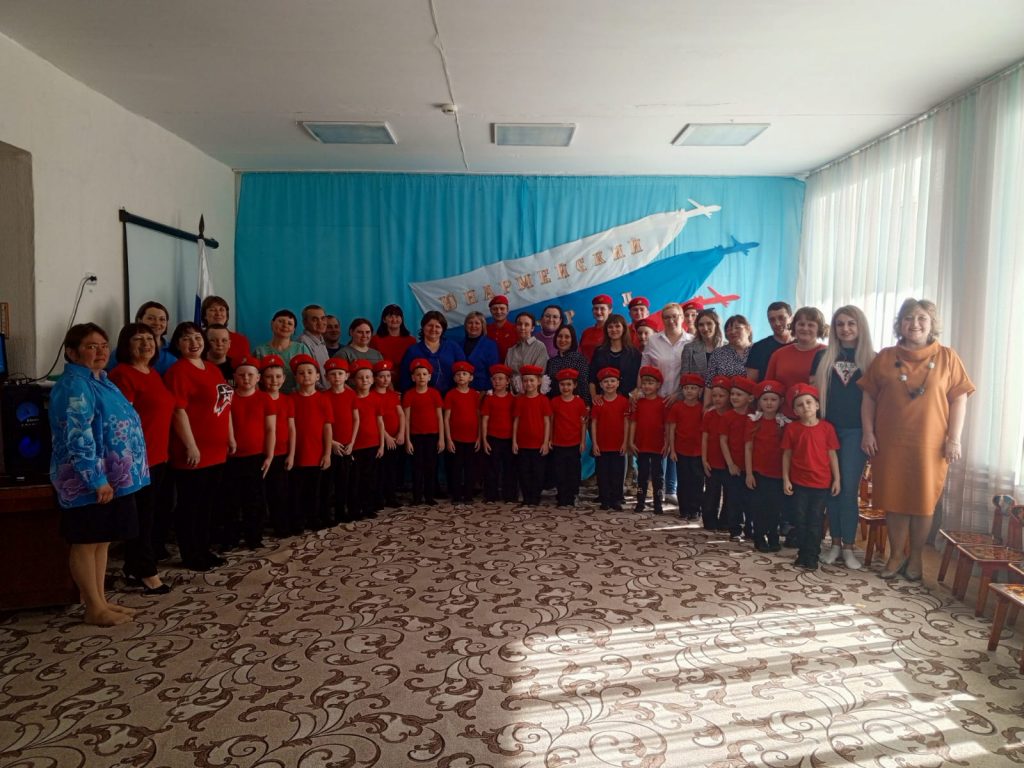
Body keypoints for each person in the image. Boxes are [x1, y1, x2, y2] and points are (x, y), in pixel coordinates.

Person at [860, 298, 974, 582]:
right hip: (890, 441)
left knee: (923, 502)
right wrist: (868, 432)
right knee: (894, 499)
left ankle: (916, 557)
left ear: (932, 324)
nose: (915, 324)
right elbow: (868, 398)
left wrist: (954, 439)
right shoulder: (885, 357)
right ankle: (896, 555)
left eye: (922, 318)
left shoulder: (948, 357)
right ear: (899, 324)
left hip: (931, 444)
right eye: (908, 318)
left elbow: (960, 399)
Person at [50, 323, 148, 625]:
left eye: (104, 346)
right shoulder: (75, 386)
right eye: (91, 346)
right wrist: (96, 479)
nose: (100, 351)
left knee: (101, 540)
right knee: (86, 541)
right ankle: (92, 606)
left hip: (109, 477)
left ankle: (101, 600)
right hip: (85, 480)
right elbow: (78, 436)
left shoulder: (100, 379)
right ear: (72, 352)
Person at [109, 324, 176, 595]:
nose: (146, 344)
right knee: (143, 519)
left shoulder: (152, 372)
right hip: (138, 460)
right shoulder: (122, 375)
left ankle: (133, 566)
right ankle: (147, 572)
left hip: (159, 456)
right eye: (138, 339)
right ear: (126, 344)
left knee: (152, 515)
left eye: (150, 339)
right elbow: (120, 422)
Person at [164, 322, 233, 571]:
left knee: (208, 503)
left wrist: (230, 437)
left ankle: (204, 549)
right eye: (186, 339)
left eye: (197, 337)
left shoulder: (212, 369)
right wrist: (191, 445)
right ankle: (190, 554)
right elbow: (178, 411)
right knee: (190, 505)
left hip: (216, 449)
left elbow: (224, 405)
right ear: (177, 344)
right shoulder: (178, 371)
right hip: (193, 450)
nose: (193, 343)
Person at [812, 306, 876, 569]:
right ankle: (835, 544)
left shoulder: (873, 359)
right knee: (831, 488)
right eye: (840, 324)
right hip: (827, 430)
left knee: (848, 489)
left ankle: (849, 547)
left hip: (856, 432)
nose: (846, 329)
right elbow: (813, 396)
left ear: (860, 326)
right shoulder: (822, 356)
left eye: (851, 323)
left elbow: (876, 400)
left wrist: (870, 433)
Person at [782, 383, 841, 571]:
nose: (805, 407)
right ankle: (802, 553)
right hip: (799, 482)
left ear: (817, 405)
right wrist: (786, 479)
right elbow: (787, 455)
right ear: (795, 411)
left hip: (821, 484)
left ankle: (813, 555)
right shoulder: (792, 428)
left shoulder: (827, 428)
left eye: (809, 402)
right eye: (800, 405)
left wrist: (837, 479)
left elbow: (832, 455)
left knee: (815, 520)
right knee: (800, 520)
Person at [642, 302, 693, 504]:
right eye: (667, 317)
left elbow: (693, 373)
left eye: (675, 316)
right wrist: (642, 391)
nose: (671, 320)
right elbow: (645, 368)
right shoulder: (653, 340)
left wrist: (680, 393)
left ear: (682, 317)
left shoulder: (691, 341)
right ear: (662, 320)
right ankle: (658, 488)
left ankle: (671, 488)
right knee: (659, 443)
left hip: (681, 399)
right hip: (657, 399)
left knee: (676, 443)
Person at [223, 356, 275, 549]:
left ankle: (254, 537)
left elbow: (270, 429)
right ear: (234, 377)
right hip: (231, 457)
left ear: (258, 377)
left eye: (250, 375)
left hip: (256, 456)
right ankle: (230, 538)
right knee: (231, 499)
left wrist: (269, 455)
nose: (246, 378)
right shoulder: (228, 397)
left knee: (254, 499)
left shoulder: (264, 398)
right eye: (242, 374)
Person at [288, 354, 332, 532]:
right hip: (297, 453)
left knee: (316, 489)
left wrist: (327, 453)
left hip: (317, 452)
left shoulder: (323, 399)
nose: (305, 376)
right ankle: (298, 520)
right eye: (301, 373)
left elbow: (327, 428)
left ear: (317, 376)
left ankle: (314, 518)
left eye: (309, 372)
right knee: (296, 490)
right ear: (295, 377)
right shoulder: (291, 399)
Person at [744, 380, 788, 552]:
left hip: (777, 473)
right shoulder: (753, 421)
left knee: (775, 507)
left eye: (773, 399)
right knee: (759, 506)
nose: (769, 403)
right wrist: (749, 473)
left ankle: (773, 534)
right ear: (759, 401)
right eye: (765, 399)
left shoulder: (783, 423)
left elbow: (787, 452)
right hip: (758, 472)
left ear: (780, 401)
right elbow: (748, 448)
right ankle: (759, 535)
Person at [765, 306, 828, 419]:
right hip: (783, 417)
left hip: (816, 418)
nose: (805, 328)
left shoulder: (828, 354)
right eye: (801, 324)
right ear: (794, 326)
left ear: (819, 328)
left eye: (811, 325)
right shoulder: (779, 354)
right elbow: (768, 387)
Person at [259, 354, 295, 537]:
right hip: (261, 453)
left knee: (280, 492)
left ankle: (281, 526)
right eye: (269, 376)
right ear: (261, 378)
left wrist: (291, 454)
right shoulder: (258, 398)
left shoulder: (287, 400)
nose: (274, 380)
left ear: (284, 378)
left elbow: (292, 428)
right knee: (261, 492)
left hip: (282, 452)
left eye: (278, 376)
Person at [403, 358, 444, 506]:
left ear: (429, 377)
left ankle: (429, 496)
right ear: (413, 377)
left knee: (431, 467)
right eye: (418, 374)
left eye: (424, 374)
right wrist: (407, 440)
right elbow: (406, 419)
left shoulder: (435, 394)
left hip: (432, 436)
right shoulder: (409, 395)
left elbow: (440, 417)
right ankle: (416, 497)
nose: (421, 377)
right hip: (415, 437)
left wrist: (442, 439)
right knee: (417, 467)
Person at [720, 377, 757, 541]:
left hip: (751, 467)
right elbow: (723, 441)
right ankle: (735, 529)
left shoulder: (754, 417)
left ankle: (750, 528)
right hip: (734, 466)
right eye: (733, 394)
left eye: (739, 394)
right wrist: (730, 464)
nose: (734, 397)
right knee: (734, 499)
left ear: (750, 398)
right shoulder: (727, 416)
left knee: (751, 499)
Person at [348, 361, 385, 520]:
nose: (364, 380)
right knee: (355, 479)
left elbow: (380, 422)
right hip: (356, 445)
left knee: (370, 477)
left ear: (372, 379)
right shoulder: (351, 399)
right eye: (360, 377)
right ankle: (355, 509)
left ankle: (368, 506)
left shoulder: (376, 398)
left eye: (368, 377)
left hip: (373, 444)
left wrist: (381, 445)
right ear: (353, 380)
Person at [668, 373, 706, 522]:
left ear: (700, 391)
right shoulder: (677, 407)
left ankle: (695, 509)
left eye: (693, 388)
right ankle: (684, 509)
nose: (689, 391)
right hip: (681, 450)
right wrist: (672, 449)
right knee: (683, 481)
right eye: (686, 388)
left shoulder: (702, 409)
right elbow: (672, 429)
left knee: (697, 481)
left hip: (698, 452)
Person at [590, 367, 629, 511]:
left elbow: (626, 423)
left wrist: (625, 442)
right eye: (606, 381)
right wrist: (594, 443)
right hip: (602, 445)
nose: (609, 384)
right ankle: (604, 499)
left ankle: (616, 499)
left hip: (618, 444)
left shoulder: (624, 401)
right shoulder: (598, 403)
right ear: (600, 385)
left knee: (617, 473)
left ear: (618, 383)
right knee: (603, 474)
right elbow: (593, 424)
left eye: (613, 381)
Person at [512, 364, 551, 506]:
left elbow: (547, 422)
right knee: (524, 472)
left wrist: (545, 442)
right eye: (525, 380)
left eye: (532, 380)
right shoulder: (519, 400)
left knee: (538, 472)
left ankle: (535, 497)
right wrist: (514, 441)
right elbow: (516, 421)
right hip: (523, 443)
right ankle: (526, 497)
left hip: (538, 443)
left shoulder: (543, 400)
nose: (528, 383)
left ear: (539, 381)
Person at [630, 366, 667, 515]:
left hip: (657, 444)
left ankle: (658, 503)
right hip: (642, 444)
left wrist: (667, 442)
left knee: (658, 476)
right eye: (644, 383)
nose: (646, 386)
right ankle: (640, 502)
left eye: (650, 383)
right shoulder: (638, 403)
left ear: (658, 385)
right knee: (642, 475)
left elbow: (667, 425)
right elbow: (633, 422)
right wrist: (631, 441)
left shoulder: (663, 403)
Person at [399, 311, 466, 394]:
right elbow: (405, 378)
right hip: (422, 398)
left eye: (437, 326)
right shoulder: (413, 351)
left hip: (451, 397)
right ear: (423, 327)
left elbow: (465, 372)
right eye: (430, 325)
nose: (433, 329)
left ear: (442, 330)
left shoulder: (453, 347)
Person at [444, 361, 481, 504]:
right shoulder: (451, 394)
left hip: (472, 438)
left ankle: (469, 495)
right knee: (456, 468)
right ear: (454, 378)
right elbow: (446, 418)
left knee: (470, 468)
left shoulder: (475, 395)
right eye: (458, 374)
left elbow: (479, 416)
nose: (461, 376)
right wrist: (448, 439)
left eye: (464, 374)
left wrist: (479, 437)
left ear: (470, 378)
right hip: (455, 438)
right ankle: (456, 495)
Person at [324, 358, 357, 523]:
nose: (337, 377)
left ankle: (341, 510)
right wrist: (331, 443)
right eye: (332, 374)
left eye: (340, 373)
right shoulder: (324, 396)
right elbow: (321, 424)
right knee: (329, 482)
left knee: (345, 481)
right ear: (326, 377)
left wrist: (352, 442)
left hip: (347, 445)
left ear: (346, 376)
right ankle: (327, 513)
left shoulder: (351, 395)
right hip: (330, 445)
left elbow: (356, 420)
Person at [549, 368, 587, 507]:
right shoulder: (554, 402)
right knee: (560, 471)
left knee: (573, 471)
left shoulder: (580, 402)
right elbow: (551, 422)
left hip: (574, 443)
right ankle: (562, 496)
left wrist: (582, 441)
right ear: (558, 386)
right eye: (562, 384)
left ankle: (572, 495)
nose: (566, 387)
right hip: (558, 443)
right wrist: (550, 439)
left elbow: (583, 423)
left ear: (575, 385)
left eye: (569, 384)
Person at [481, 364, 517, 503]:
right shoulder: (489, 399)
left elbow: (516, 420)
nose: (497, 381)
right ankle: (491, 495)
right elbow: (485, 420)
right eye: (494, 379)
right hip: (493, 438)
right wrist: (484, 439)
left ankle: (510, 495)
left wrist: (515, 440)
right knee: (492, 468)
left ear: (507, 381)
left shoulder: (513, 399)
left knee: (510, 468)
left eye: (501, 378)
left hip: (509, 439)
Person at [253, 309, 312, 393]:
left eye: (289, 323)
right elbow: (254, 379)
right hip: (268, 396)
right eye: (281, 321)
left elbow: (310, 374)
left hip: (296, 396)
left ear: (294, 330)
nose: (285, 325)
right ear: (272, 324)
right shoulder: (260, 351)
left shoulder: (301, 349)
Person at [701, 376, 732, 531]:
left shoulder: (732, 415)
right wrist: (704, 459)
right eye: (714, 396)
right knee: (711, 492)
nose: (717, 399)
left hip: (728, 463)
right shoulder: (709, 415)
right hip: (712, 461)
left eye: (721, 395)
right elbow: (704, 439)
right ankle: (709, 520)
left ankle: (725, 521)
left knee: (729, 494)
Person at [373, 360, 405, 509]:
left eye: (388, 376)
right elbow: (375, 420)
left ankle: (391, 496)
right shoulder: (372, 396)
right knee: (380, 470)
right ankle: (378, 498)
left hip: (396, 437)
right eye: (381, 376)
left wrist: (401, 433)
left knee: (392, 469)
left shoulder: (393, 395)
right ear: (375, 378)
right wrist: (386, 437)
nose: (386, 379)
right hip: (381, 439)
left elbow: (401, 414)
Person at [588, 313, 641, 401]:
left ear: (624, 329)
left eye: (617, 326)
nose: (614, 329)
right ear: (606, 330)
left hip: (628, 400)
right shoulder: (599, 352)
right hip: (603, 400)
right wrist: (594, 396)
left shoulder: (634, 353)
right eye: (610, 327)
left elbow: (639, 378)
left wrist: (635, 394)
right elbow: (592, 377)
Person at [705, 315, 754, 402]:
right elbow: (709, 383)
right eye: (729, 330)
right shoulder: (718, 353)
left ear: (748, 329)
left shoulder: (758, 350)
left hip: (753, 403)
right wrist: (706, 406)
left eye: (737, 328)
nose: (733, 332)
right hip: (724, 403)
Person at [200, 295, 252, 370]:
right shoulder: (198, 339)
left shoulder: (241, 340)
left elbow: (246, 367)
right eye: (212, 310)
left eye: (221, 310)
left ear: (227, 315)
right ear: (205, 315)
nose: (218, 313)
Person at [746, 302, 794, 382]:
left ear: (791, 318)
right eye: (772, 320)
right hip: (765, 389)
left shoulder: (801, 345)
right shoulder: (759, 348)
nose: (777, 323)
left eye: (781, 318)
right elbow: (750, 381)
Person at [545, 325, 591, 406]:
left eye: (567, 337)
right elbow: (548, 387)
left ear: (572, 340)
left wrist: (586, 405)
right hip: (555, 405)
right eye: (560, 336)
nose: (563, 340)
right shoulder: (551, 362)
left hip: (574, 405)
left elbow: (584, 385)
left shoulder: (579, 359)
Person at [505, 312, 551, 393]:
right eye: (519, 324)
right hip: (514, 394)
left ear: (532, 328)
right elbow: (507, 375)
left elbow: (538, 374)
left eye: (526, 325)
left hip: (533, 394)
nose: (522, 327)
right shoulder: (511, 351)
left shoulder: (540, 347)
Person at [134, 301, 177, 375]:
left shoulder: (174, 349)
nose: (157, 323)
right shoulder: (126, 350)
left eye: (162, 319)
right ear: (139, 320)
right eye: (151, 318)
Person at [370, 304, 417, 372]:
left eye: (397, 316)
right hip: (382, 376)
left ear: (402, 319)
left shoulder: (411, 341)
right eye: (390, 316)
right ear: (384, 320)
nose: (394, 319)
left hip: (406, 376)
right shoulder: (375, 340)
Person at [680, 309, 723, 380]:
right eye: (701, 325)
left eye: (709, 323)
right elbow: (684, 379)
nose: (705, 328)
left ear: (716, 325)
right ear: (697, 327)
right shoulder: (689, 348)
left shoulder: (728, 348)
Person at [462, 311, 500, 391]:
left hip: (483, 390)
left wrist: (485, 391)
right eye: (470, 323)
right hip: (461, 389)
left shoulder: (490, 345)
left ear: (483, 326)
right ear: (465, 325)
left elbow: (493, 371)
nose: (473, 326)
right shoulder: (458, 345)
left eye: (477, 323)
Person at [298, 305, 330, 386]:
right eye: (315, 319)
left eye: (323, 318)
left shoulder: (321, 340)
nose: (320, 322)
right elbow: (307, 375)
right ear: (305, 323)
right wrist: (323, 391)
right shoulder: (303, 342)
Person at [579, 294, 613, 361]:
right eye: (596, 309)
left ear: (610, 310)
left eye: (602, 308)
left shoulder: (614, 331)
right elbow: (580, 353)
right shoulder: (586, 332)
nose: (598, 312)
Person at [486, 295, 518, 362]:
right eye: (495, 309)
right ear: (490, 311)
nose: (498, 312)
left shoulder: (517, 329)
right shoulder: (485, 330)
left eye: (502, 308)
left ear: (507, 310)